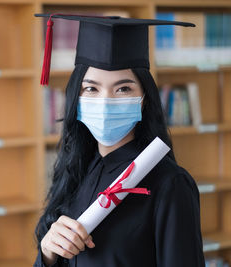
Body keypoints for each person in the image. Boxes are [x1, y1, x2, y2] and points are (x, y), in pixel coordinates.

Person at [33, 14, 205, 267]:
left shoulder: (170, 184)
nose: (105, 102)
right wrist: (48, 253)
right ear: (76, 97)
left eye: (123, 89)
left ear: (144, 97)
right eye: (91, 88)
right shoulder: (77, 170)